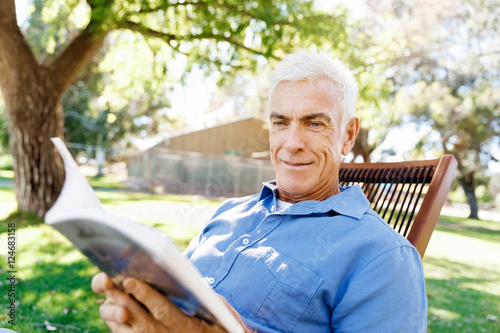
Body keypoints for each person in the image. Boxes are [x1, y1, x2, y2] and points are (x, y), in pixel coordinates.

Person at [92, 49, 428, 332]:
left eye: (314, 123)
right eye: (280, 122)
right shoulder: (229, 213)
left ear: (348, 135)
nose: (292, 143)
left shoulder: (383, 257)